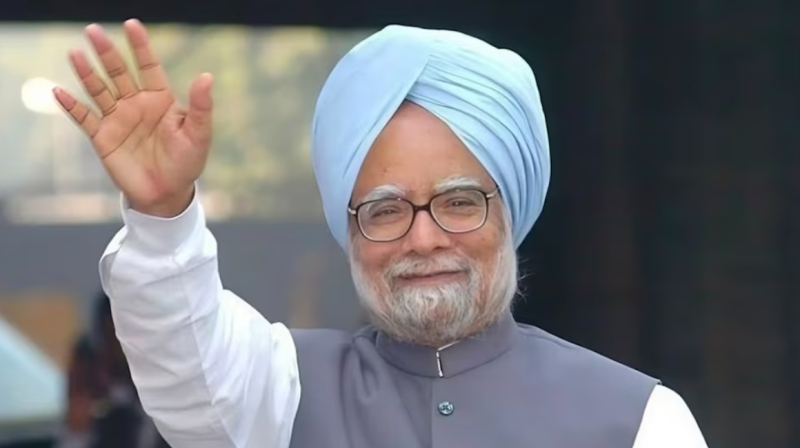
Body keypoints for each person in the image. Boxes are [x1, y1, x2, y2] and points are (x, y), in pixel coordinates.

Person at [52, 19, 708, 448]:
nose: (423, 241)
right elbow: (182, 353)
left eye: (458, 202)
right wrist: (162, 211)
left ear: (510, 212)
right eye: (386, 210)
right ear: (350, 228)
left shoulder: (640, 420)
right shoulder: (281, 391)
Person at [58, 291, 170, 448]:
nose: (118, 349)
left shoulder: (163, 403)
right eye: (111, 337)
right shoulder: (93, 410)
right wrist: (79, 430)